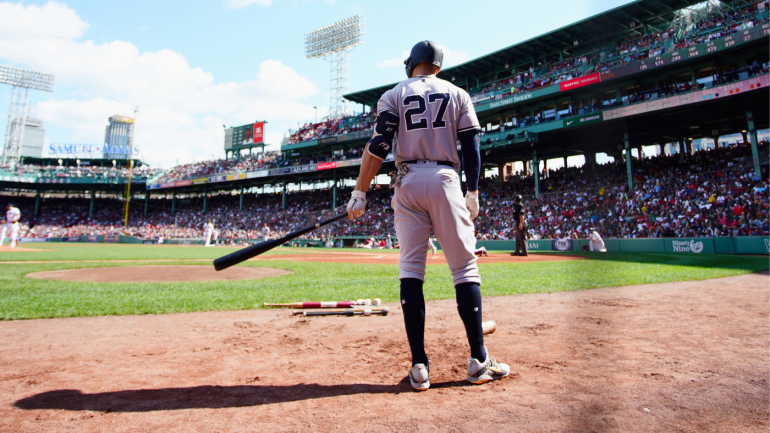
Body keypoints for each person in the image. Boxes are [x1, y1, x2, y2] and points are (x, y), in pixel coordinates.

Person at [346, 40, 509, 392]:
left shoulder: (393, 94)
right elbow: (471, 146)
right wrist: (473, 190)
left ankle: (419, 366)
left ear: (413, 64)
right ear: (437, 65)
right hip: (445, 178)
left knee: (410, 270)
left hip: (406, 181)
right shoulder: (457, 93)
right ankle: (479, 360)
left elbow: (378, 145)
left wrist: (361, 190)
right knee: (464, 268)